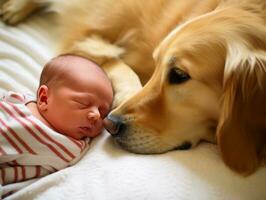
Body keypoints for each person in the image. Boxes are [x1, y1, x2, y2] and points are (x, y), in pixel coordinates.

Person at [0, 54, 113, 196]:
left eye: (103, 112)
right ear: (44, 98)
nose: (96, 115)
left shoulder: (72, 148)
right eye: (83, 103)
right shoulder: (18, 102)